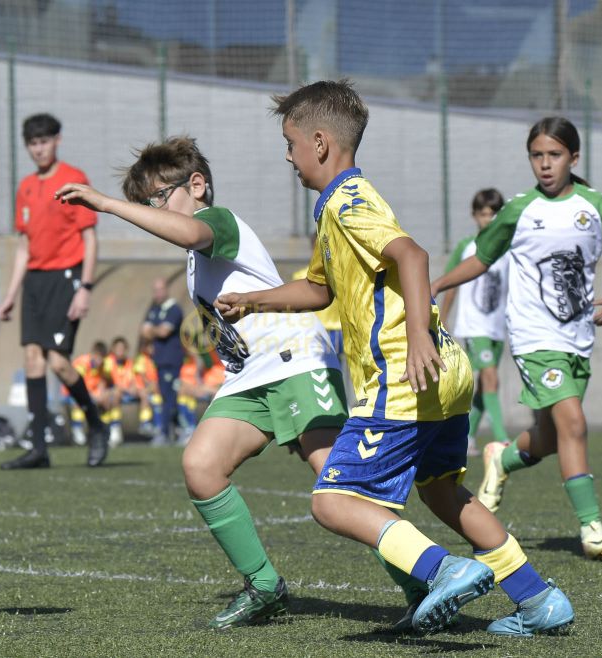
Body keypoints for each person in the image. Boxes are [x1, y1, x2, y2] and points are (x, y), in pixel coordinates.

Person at [216, 80, 573, 636]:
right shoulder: (335, 208)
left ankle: (443, 569)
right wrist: (253, 301)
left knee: (332, 502)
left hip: (406, 372)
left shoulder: (348, 201)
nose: (286, 155)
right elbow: (320, 289)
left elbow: (412, 253)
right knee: (441, 490)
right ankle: (539, 599)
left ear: (318, 142)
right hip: (444, 376)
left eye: (289, 143)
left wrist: (419, 340)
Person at [55, 135, 399, 631]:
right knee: (200, 465)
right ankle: (263, 586)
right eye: (145, 203)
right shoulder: (195, 253)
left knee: (340, 486)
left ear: (197, 185)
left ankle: (424, 581)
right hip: (252, 376)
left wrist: (106, 205)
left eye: (157, 198)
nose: (153, 211)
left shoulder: (218, 221)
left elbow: (189, 232)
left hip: (295, 361)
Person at [432, 116, 602, 561]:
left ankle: (500, 459)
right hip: (533, 339)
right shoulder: (520, 209)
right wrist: (440, 284)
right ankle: (592, 527)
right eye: (537, 155)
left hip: (578, 338)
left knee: (549, 438)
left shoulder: (596, 206)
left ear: (574, 158)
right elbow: (484, 258)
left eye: (555, 155)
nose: (545, 164)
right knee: (574, 423)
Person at [0, 112, 109, 469]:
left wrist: (85, 287)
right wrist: (11, 294)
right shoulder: (27, 187)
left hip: (66, 278)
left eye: (44, 141)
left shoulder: (74, 179)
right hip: (34, 281)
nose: (38, 149)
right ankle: (39, 449)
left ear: (57, 140)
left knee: (59, 363)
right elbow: (23, 247)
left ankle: (96, 425)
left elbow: (89, 238)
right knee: (32, 359)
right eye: (32, 143)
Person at [439, 189, 510, 456]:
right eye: (483, 214)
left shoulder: (508, 249)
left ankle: (466, 437)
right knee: (490, 377)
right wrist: (442, 320)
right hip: (474, 326)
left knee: (484, 385)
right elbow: (452, 284)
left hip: (497, 326)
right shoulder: (467, 247)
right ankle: (502, 440)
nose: (488, 220)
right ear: (474, 216)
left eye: (493, 214)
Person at [141, 278, 184, 444]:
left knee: (169, 396)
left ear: (166, 289)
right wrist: (154, 331)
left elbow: (164, 332)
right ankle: (176, 431)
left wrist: (152, 330)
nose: (157, 293)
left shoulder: (174, 309)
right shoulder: (154, 308)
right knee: (165, 396)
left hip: (171, 360)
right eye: (155, 290)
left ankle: (166, 432)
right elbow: (144, 332)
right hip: (159, 360)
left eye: (159, 289)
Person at [68, 341, 120, 448]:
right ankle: (78, 430)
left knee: (111, 398)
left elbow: (104, 382)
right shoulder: (81, 363)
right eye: (98, 358)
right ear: (93, 354)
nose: (99, 361)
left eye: (102, 358)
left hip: (94, 394)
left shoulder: (105, 365)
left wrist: (103, 394)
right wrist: (93, 396)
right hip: (77, 391)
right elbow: (76, 385)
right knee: (78, 400)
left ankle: (111, 430)